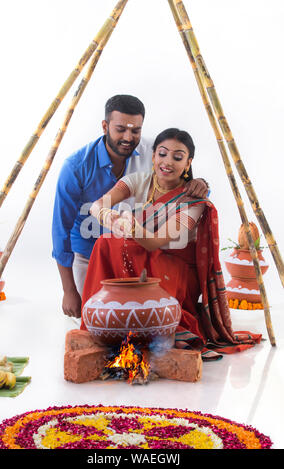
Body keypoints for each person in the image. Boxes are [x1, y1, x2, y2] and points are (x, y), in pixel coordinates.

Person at [81, 128, 261, 360]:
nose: (167, 162)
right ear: (153, 155)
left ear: (188, 163)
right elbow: (97, 205)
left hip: (177, 271)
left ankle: (142, 321)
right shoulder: (139, 180)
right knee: (106, 243)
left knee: (120, 244)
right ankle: (102, 322)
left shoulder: (193, 201)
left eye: (177, 157)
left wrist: (129, 224)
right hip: (143, 257)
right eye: (162, 154)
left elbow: (155, 242)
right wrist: (108, 216)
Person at [52, 95, 209, 319]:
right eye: (120, 129)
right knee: (95, 318)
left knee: (140, 320)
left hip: (147, 252)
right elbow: (61, 228)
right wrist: (69, 290)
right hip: (90, 251)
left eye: (135, 130)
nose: (128, 137)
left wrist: (201, 183)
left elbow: (185, 191)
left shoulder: (155, 151)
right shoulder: (76, 167)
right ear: (105, 126)